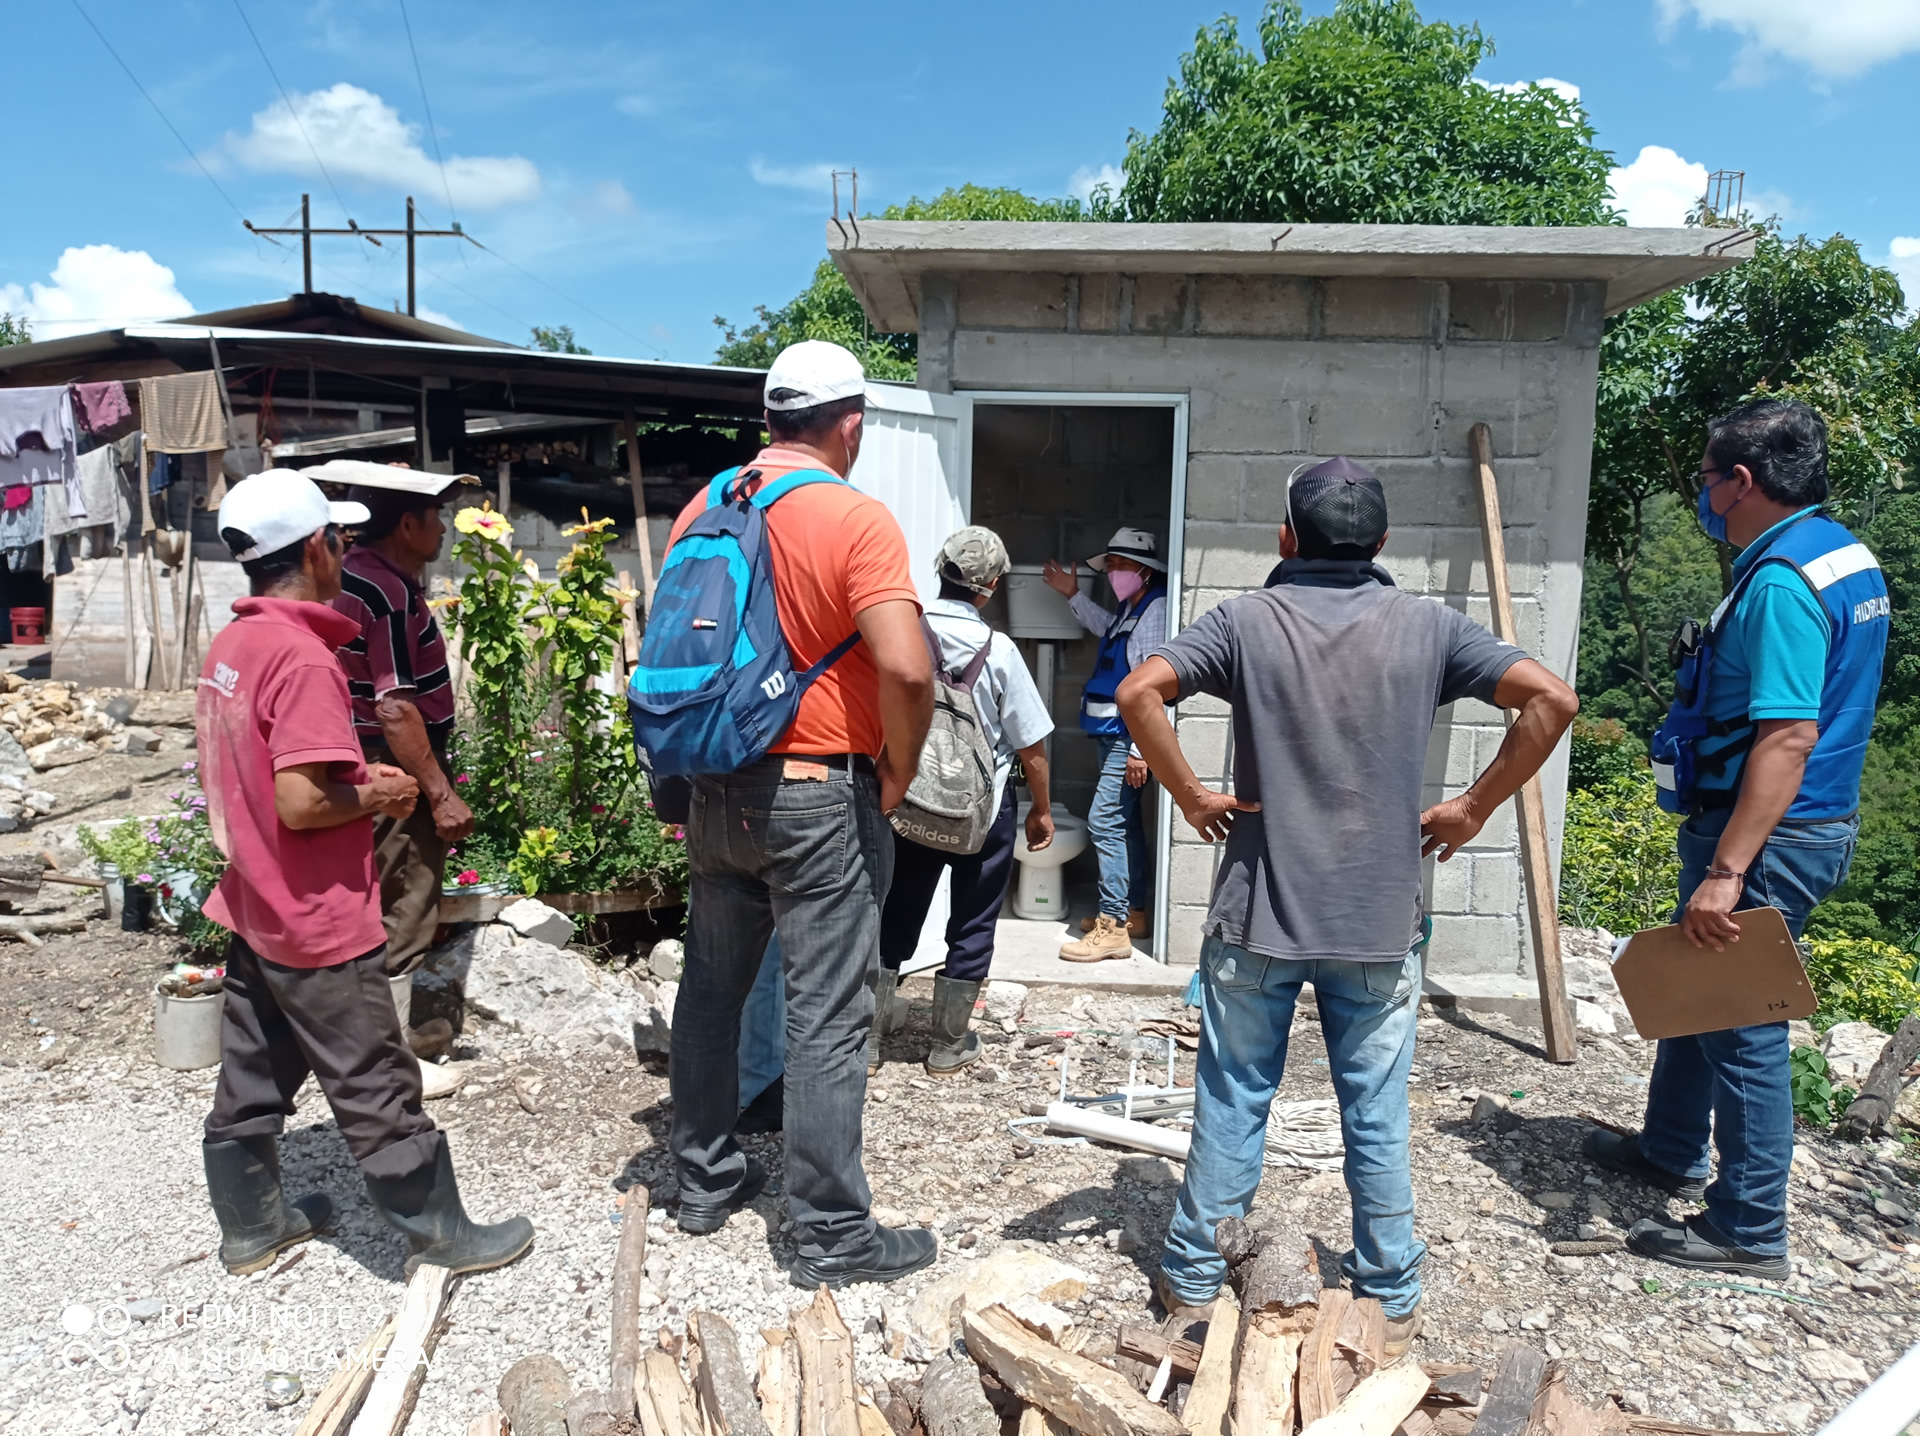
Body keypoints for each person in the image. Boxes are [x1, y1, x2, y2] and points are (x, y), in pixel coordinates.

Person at [1114, 457, 1578, 1354]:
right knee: (1375, 1108)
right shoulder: (1429, 626)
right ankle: (1388, 1296)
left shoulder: (1245, 620)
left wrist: (1191, 794)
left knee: (1234, 1096)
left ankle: (1196, 1287)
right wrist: (1474, 806)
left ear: (1287, 537)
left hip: (1259, 912)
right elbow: (1552, 701)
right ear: (1383, 541)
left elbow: (1139, 692)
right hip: (1377, 916)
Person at [196, 471, 532, 1278]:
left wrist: (353, 783)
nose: (346, 553)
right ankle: (440, 1234)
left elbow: (258, 777)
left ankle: (252, 1225)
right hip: (316, 912)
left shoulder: (234, 645)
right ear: (317, 548)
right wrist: (378, 792)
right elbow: (303, 801)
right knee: (376, 1076)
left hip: (257, 901)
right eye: (340, 541)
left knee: (253, 1069)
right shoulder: (302, 657)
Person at [1583, 399, 1888, 1278]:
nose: (1704, 495)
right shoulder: (1842, 555)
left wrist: (1728, 869)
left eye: (1709, 479)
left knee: (1744, 1024)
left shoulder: (1783, 584)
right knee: (1699, 988)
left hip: (1769, 835)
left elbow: (1787, 735)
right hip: (1802, 822)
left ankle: (1749, 1227)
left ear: (1742, 482)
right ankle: (1670, 1148)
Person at [665, 340, 937, 1289]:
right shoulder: (853, 516)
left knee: (711, 991)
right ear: (850, 424)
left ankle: (702, 1182)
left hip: (715, 786)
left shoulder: (708, 505)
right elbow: (907, 666)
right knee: (827, 1014)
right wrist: (900, 766)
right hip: (818, 793)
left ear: (769, 418)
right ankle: (831, 1233)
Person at [874, 527, 1056, 1077]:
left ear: (940, 569)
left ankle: (869, 1042)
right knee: (974, 919)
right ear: (992, 585)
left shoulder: (903, 632)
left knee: (894, 911)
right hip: (983, 811)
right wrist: (1041, 809)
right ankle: (948, 1047)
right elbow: (1031, 745)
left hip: (909, 802)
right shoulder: (1000, 651)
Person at [329, 480, 472, 990]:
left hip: (358, 751)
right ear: (408, 525)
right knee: (407, 896)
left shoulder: (350, 574)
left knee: (368, 889)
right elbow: (394, 707)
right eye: (436, 515)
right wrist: (440, 793)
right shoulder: (387, 594)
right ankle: (394, 1027)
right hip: (396, 758)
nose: (445, 528)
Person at [1042, 526, 1168, 961]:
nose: (1113, 572)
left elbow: (1155, 687)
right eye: (1110, 565)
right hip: (1111, 732)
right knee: (1124, 822)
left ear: (1145, 569)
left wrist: (1139, 750)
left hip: (1126, 738)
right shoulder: (1131, 608)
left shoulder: (1155, 609)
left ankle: (1112, 925)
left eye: (1120, 564)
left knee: (1104, 820)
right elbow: (1106, 628)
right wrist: (1073, 595)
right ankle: (1134, 913)